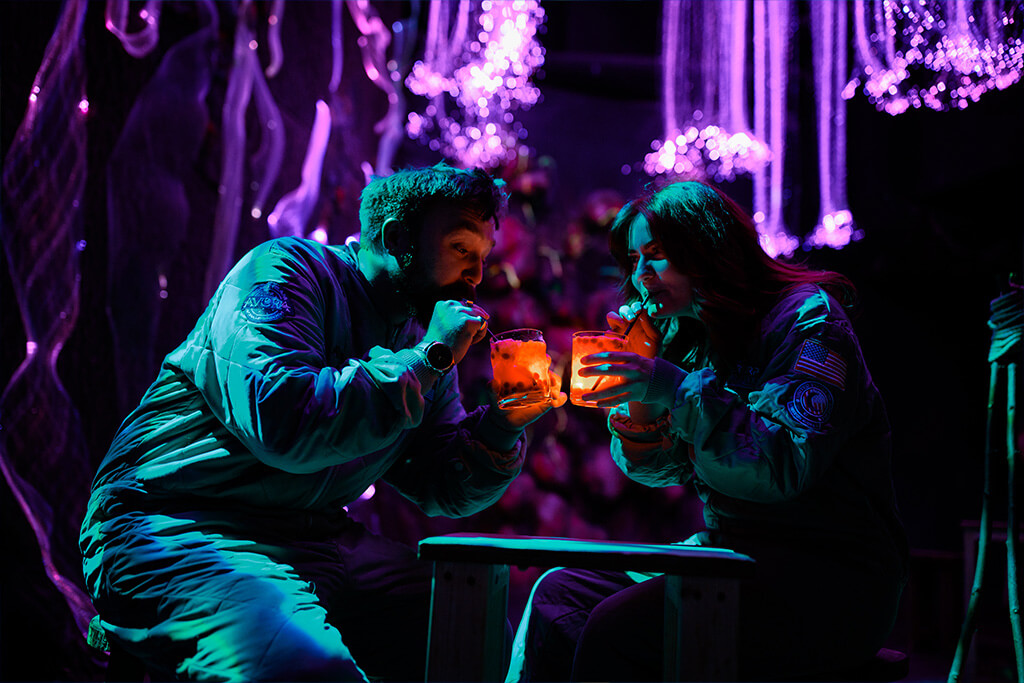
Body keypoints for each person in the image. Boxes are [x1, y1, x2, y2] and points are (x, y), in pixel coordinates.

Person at [79, 163, 565, 682]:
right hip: (177, 519)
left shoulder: (421, 339)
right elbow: (282, 422)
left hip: (313, 536)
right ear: (396, 237)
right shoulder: (284, 273)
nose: (477, 276)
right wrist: (430, 357)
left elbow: (438, 483)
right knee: (308, 672)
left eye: (483, 258)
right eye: (462, 250)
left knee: (469, 622)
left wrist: (503, 424)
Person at [510, 180, 908, 681]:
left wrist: (672, 389)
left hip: (829, 572)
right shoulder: (698, 331)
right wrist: (641, 391)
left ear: (707, 249)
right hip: (733, 555)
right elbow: (663, 471)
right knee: (558, 598)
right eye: (634, 260)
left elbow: (780, 465)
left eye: (655, 256)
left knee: (618, 629)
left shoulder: (810, 321)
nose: (640, 275)